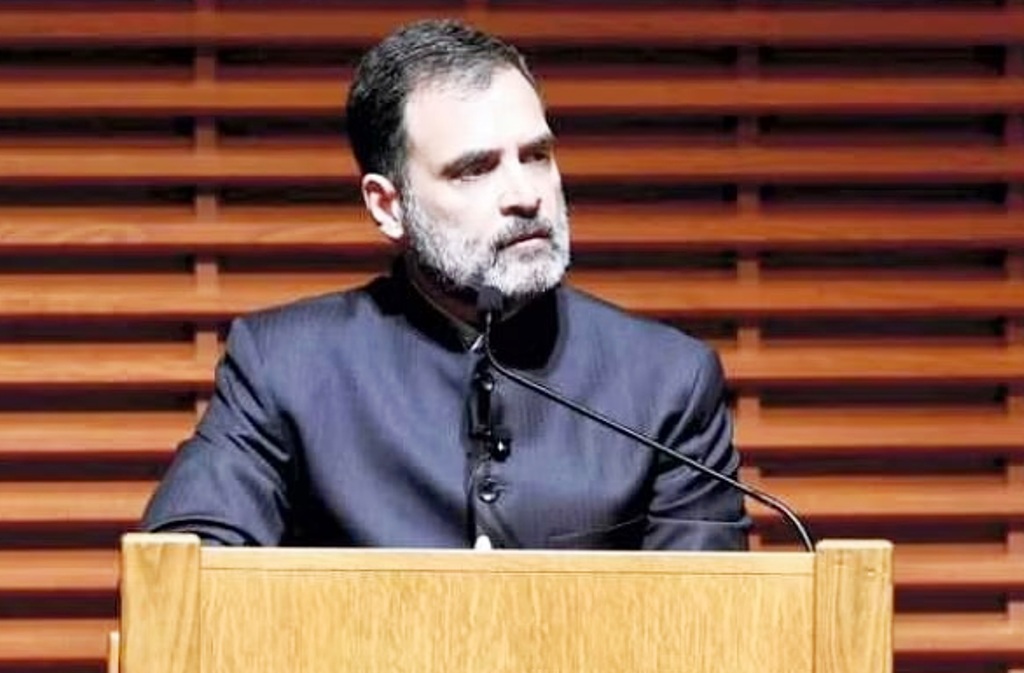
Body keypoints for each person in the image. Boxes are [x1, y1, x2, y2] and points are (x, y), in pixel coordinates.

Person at [142, 19, 751, 550]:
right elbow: (183, 576)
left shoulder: (668, 381)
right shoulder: (288, 367)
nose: (524, 195)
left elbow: (706, 634)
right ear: (388, 206)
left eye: (536, 156)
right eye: (475, 169)